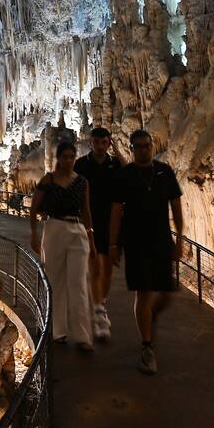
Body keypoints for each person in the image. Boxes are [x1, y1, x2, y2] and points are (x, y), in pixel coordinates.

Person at [108, 128, 184, 374]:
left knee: (168, 293)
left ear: (152, 146)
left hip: (162, 239)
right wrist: (113, 245)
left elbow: (176, 206)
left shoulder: (164, 172)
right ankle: (147, 347)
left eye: (146, 145)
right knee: (144, 292)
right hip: (135, 241)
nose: (143, 149)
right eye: (138, 146)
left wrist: (180, 238)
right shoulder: (125, 175)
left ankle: (149, 317)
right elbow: (116, 211)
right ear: (131, 149)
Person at [30, 140, 95, 351]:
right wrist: (33, 234)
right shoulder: (48, 180)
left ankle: (83, 337)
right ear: (58, 158)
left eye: (71, 157)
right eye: (65, 157)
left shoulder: (82, 182)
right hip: (54, 228)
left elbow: (86, 211)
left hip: (76, 230)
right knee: (55, 281)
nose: (68, 161)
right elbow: (34, 207)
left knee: (78, 284)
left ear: (74, 158)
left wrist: (91, 238)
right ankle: (57, 331)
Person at [74, 126, 121, 340]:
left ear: (108, 144)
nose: (100, 146)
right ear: (90, 143)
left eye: (104, 142)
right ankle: (98, 310)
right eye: (96, 142)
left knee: (108, 265)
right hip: (88, 220)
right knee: (94, 263)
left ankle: (101, 301)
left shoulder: (115, 165)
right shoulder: (82, 165)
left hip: (111, 222)